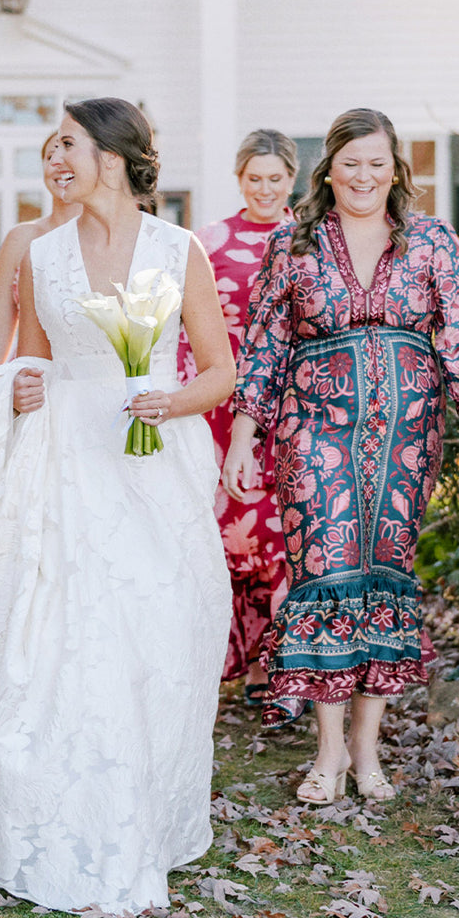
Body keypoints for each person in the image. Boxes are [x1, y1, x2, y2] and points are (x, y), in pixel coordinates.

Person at [0, 98, 234, 913]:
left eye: (71, 146)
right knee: (62, 641)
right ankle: (58, 817)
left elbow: (221, 370)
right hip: (62, 468)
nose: (56, 160)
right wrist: (22, 388)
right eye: (52, 148)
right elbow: (35, 361)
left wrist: (170, 400)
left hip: (153, 466)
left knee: (150, 637)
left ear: (114, 159)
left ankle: (145, 816)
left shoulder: (177, 247)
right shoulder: (39, 255)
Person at [222, 108, 459, 804]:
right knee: (324, 578)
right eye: (351, 162)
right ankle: (327, 756)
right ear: (329, 169)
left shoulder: (429, 240)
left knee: (381, 577)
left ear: (396, 168)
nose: (364, 176)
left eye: (377, 163)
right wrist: (243, 437)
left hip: (408, 435)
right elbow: (264, 344)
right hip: (312, 432)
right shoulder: (295, 242)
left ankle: (367, 753)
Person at [177, 129, 299, 707]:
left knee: (288, 535)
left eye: (276, 179)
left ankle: (290, 666)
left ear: (292, 181)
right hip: (226, 409)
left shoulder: (312, 240)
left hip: (297, 406)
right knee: (237, 537)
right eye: (255, 179)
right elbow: (186, 331)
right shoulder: (209, 242)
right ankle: (252, 665)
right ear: (239, 179)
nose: (266, 189)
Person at [0, 132, 82, 399]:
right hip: (30, 388)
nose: (57, 162)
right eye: (49, 156)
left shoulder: (108, 238)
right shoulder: (22, 238)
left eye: (67, 152)